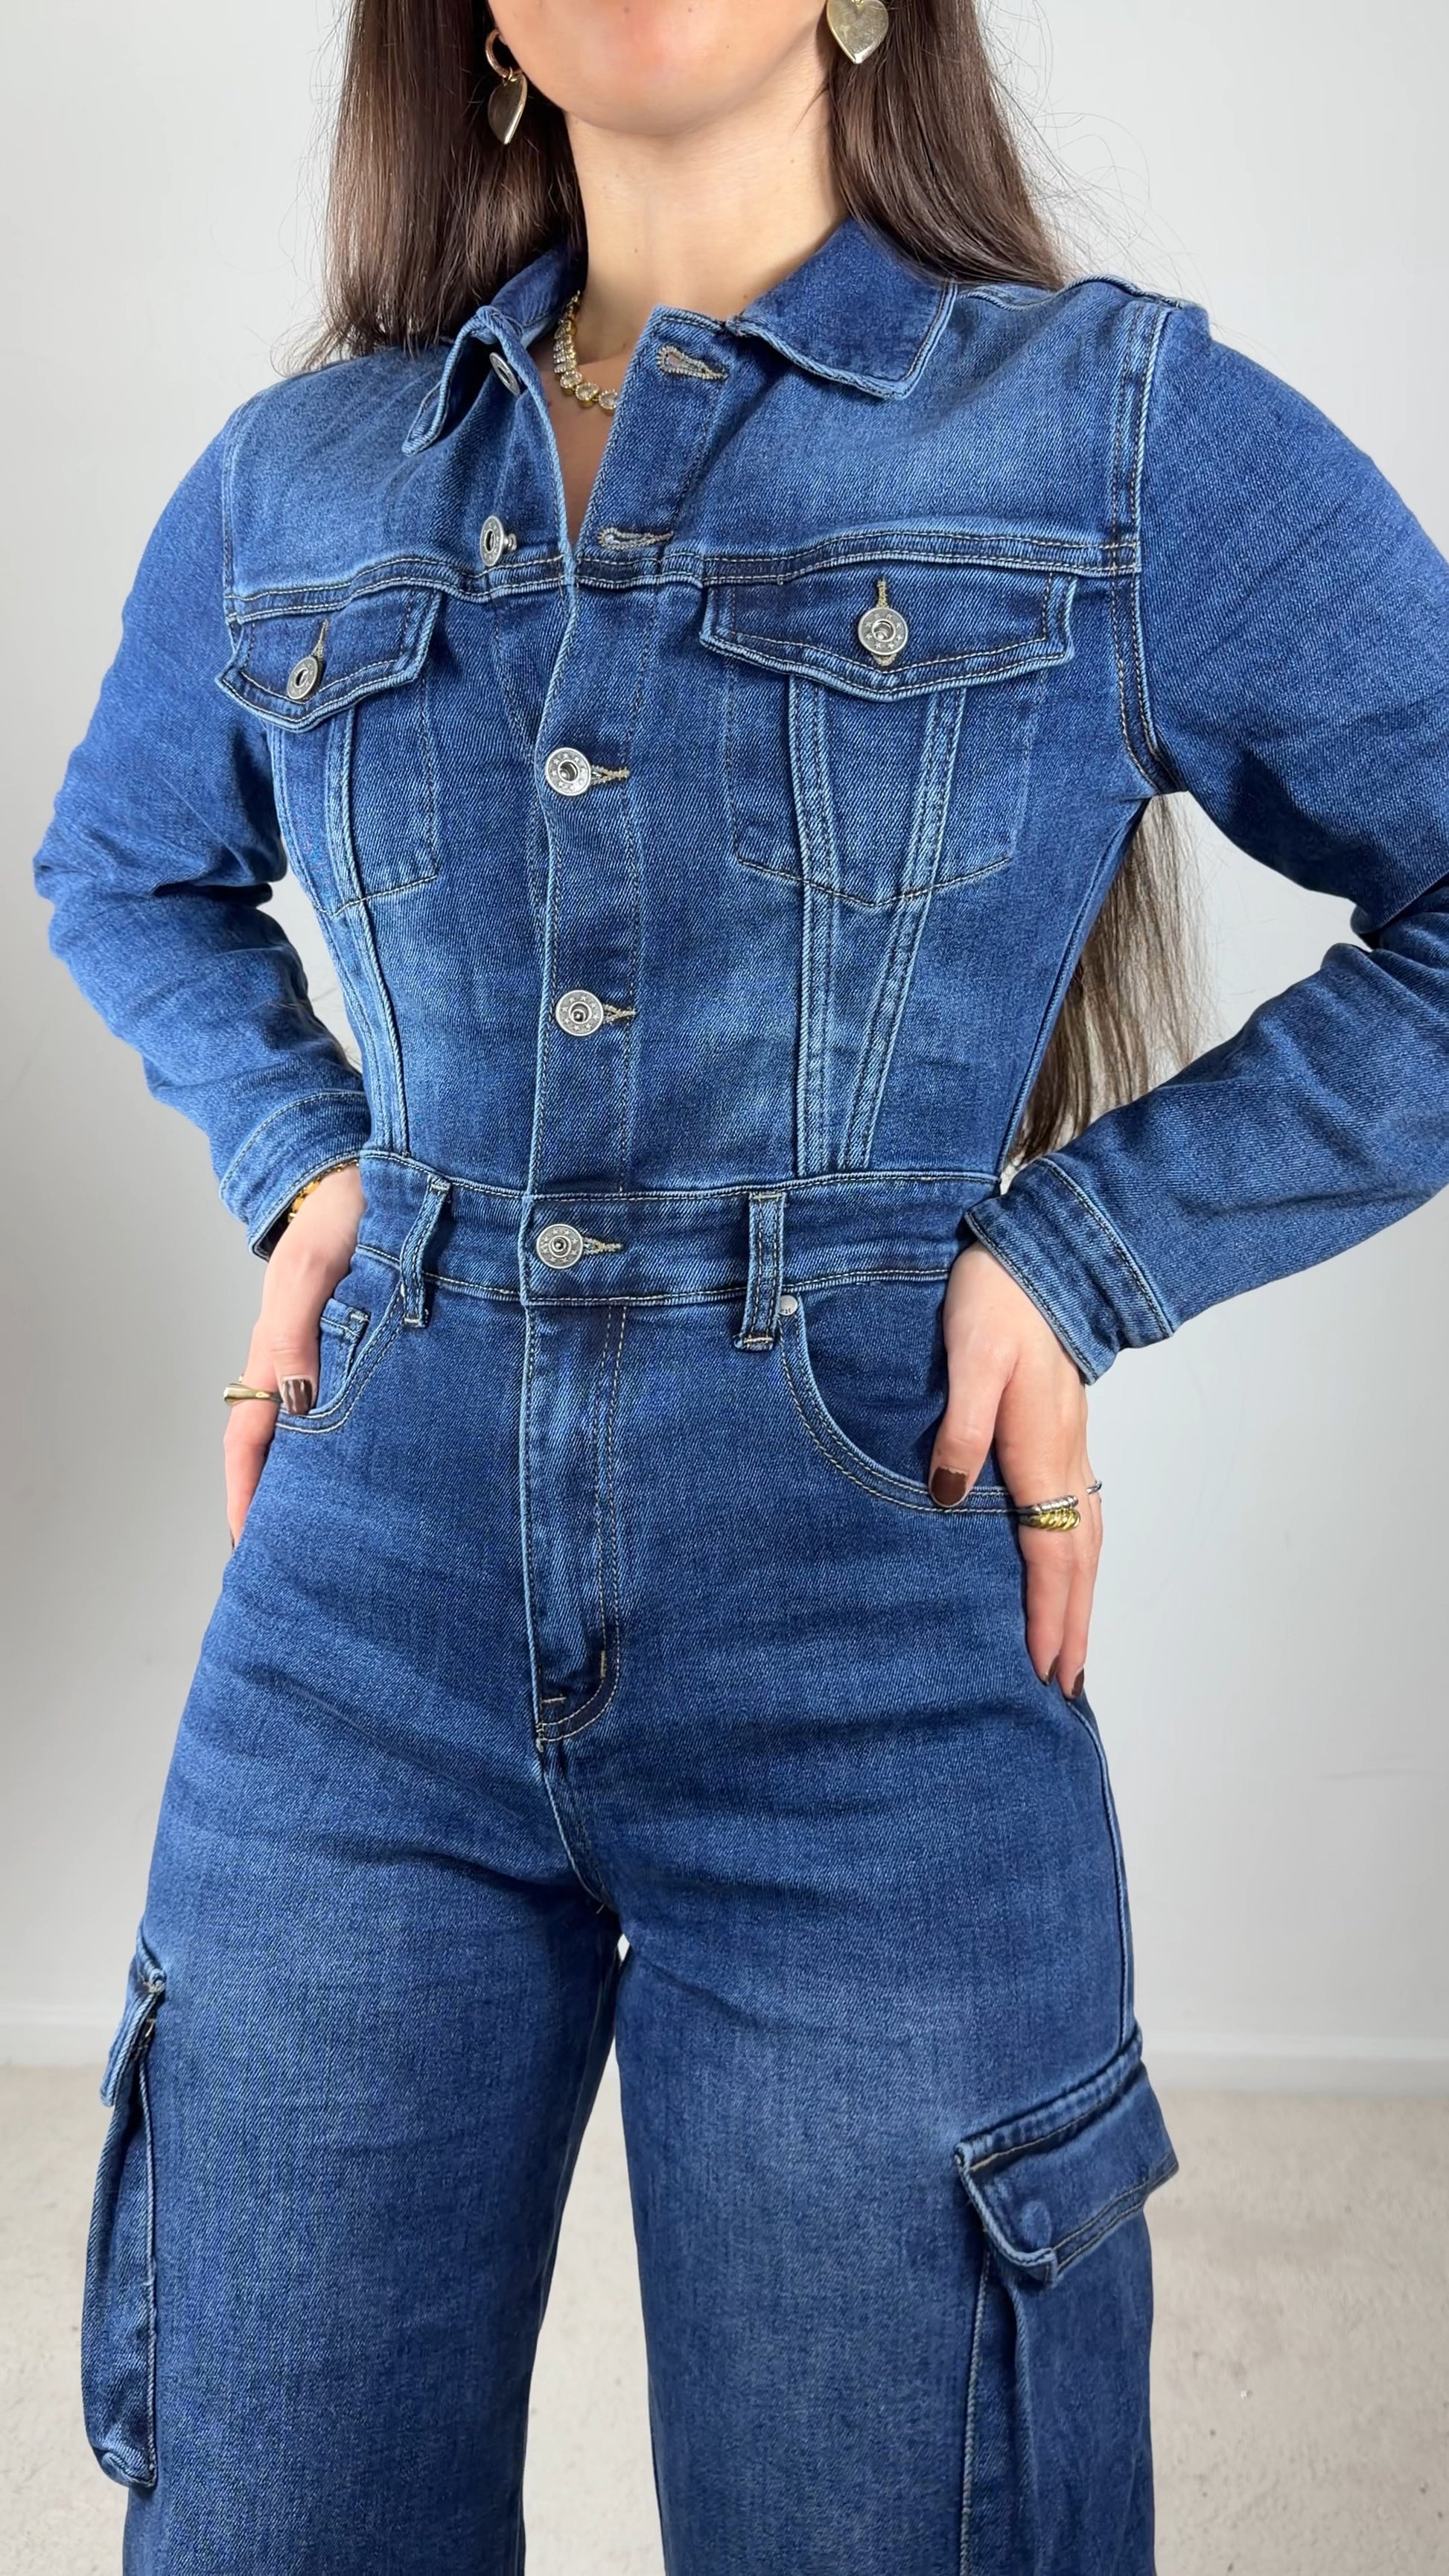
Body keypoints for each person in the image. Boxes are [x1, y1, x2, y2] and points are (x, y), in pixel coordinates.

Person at [36, 1, 1449, 2569]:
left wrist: (1082, 1252)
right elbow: (124, 864)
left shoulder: (1105, 430)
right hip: (353, 1646)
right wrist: (301, 1154)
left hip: (864, 1653)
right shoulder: (302, 474)